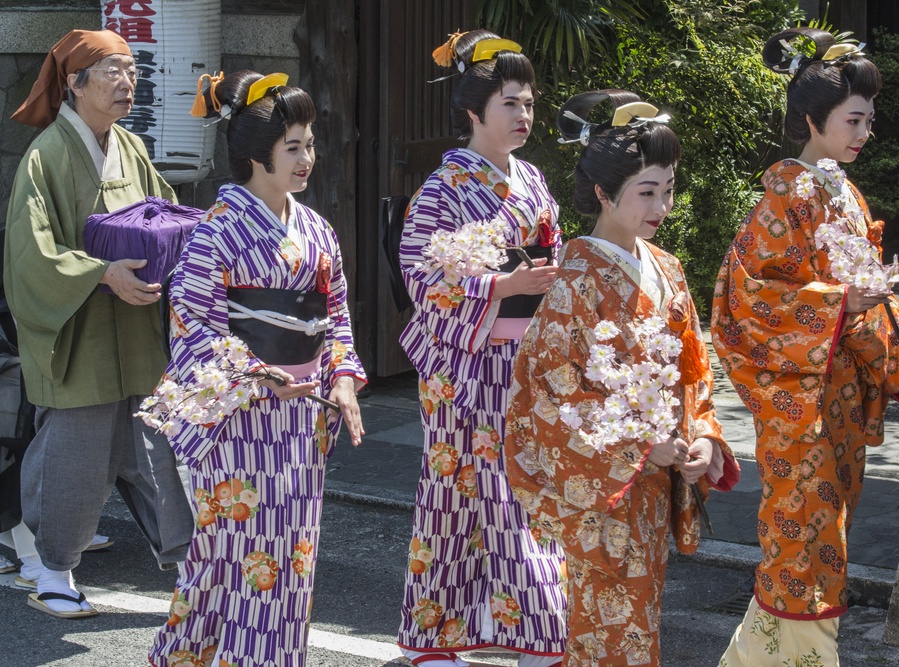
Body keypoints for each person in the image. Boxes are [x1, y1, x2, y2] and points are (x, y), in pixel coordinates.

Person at [711, 28, 899, 665]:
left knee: (826, 526)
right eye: (854, 119)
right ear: (813, 120)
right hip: (797, 399)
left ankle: (755, 659)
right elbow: (750, 299)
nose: (864, 132)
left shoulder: (842, 189)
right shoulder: (785, 195)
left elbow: (872, 295)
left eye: (869, 119)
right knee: (801, 534)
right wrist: (836, 304)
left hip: (836, 390)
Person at [504, 90, 741, 667]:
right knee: (610, 624)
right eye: (647, 191)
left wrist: (700, 435)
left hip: (656, 475)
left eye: (668, 189)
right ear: (605, 193)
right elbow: (553, 393)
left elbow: (693, 370)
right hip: (604, 484)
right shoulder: (576, 281)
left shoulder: (668, 269)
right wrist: (641, 443)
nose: (661, 205)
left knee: (641, 618)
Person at [148, 69, 366, 667]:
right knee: (244, 555)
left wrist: (342, 378)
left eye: (310, 145)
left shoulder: (317, 231)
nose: (306, 159)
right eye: (292, 147)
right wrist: (256, 373)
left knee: (288, 555)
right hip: (240, 420)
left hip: (299, 419)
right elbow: (195, 331)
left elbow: (337, 316)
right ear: (253, 154)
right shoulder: (214, 235)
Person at [4, 28, 193, 618]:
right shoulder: (46, 155)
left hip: (137, 328)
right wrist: (103, 274)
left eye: (131, 71)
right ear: (75, 83)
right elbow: (32, 253)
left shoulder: (130, 146)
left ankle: (192, 564)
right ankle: (54, 569)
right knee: (76, 451)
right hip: (80, 329)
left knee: (159, 442)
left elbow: (161, 211)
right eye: (112, 71)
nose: (127, 83)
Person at [396, 29, 565, 667]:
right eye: (510, 105)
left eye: (528, 103)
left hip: (526, 363)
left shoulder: (534, 181)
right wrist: (500, 284)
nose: (524, 116)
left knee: (522, 492)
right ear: (473, 113)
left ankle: (535, 631)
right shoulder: (442, 189)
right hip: (466, 363)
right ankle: (435, 639)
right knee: (453, 496)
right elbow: (421, 275)